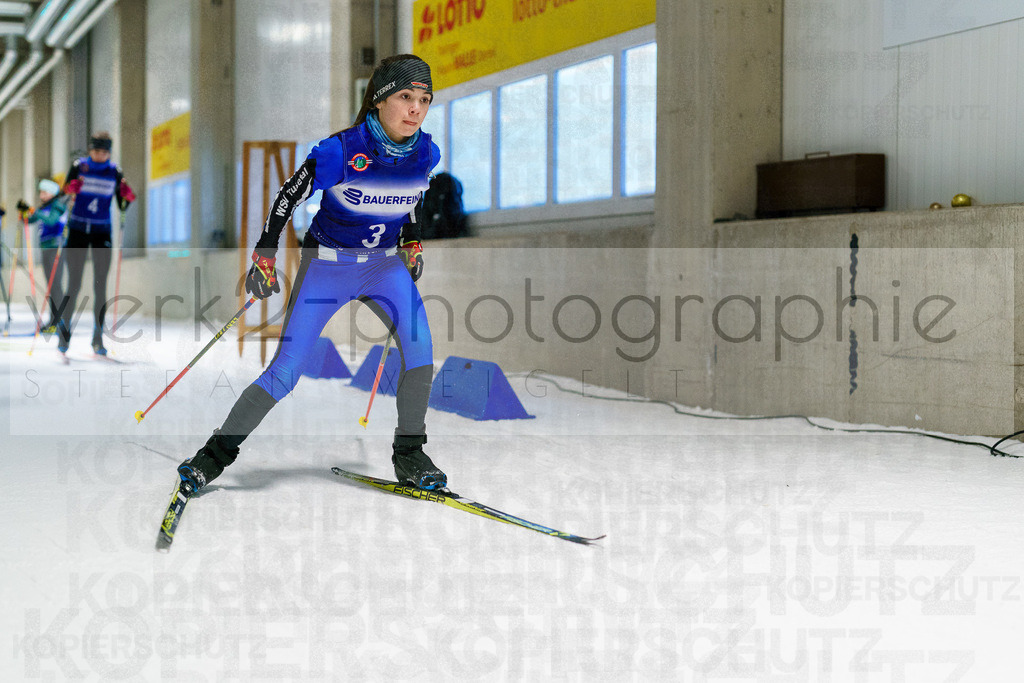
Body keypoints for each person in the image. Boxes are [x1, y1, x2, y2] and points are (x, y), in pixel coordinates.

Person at [177, 54, 446, 493]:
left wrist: (412, 242)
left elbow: (411, 197)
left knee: (420, 355)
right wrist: (264, 256)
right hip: (328, 266)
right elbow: (287, 199)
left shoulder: (425, 153)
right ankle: (213, 457)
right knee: (284, 372)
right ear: (379, 101)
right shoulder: (341, 151)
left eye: (424, 99)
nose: (415, 109)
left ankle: (411, 454)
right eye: (404, 97)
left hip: (383, 268)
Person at [59, 132, 136, 355]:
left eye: (104, 152)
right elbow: (64, 194)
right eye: (96, 151)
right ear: (90, 150)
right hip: (78, 230)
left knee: (100, 286)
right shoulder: (79, 166)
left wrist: (127, 197)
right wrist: (69, 189)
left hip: (102, 230)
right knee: (73, 284)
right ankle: (64, 335)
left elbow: (122, 206)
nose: (100, 155)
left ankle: (97, 337)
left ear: (109, 153)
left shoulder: (114, 171)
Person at [17, 179, 68, 334]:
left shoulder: (58, 205)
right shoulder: (44, 206)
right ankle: (54, 319)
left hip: (56, 248)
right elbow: (31, 219)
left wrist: (33, 211)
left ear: (52, 193)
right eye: (41, 192)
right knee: (51, 286)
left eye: (45, 192)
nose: (42, 195)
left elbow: (51, 221)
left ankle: (59, 321)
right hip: (46, 249)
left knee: (56, 285)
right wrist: (24, 213)